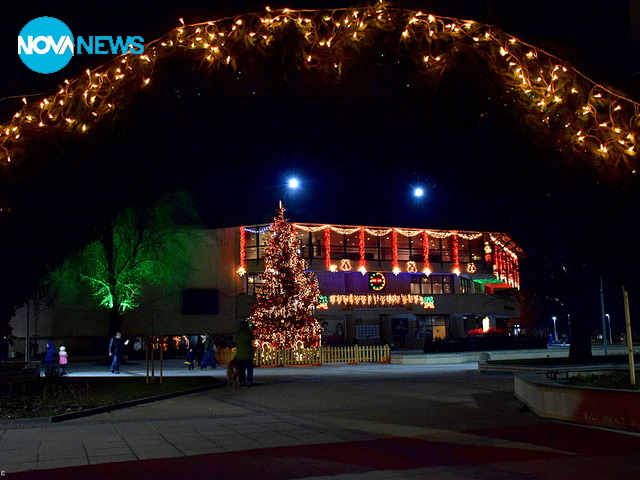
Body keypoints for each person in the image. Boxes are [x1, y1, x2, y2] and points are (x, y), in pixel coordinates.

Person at [234, 321, 254, 387]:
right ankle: (249, 380)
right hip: (248, 354)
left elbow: (235, 340)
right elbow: (252, 339)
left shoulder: (237, 334)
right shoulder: (248, 334)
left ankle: (242, 381)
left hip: (240, 354)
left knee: (241, 369)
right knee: (249, 369)